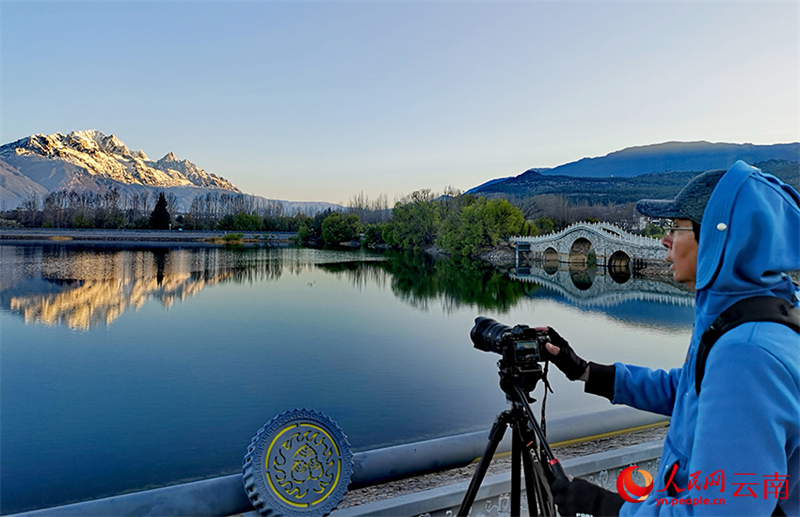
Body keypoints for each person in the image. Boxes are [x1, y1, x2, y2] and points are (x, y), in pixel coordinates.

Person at [545, 160, 800, 516]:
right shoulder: (757, 316)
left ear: (716, 238)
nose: (664, 238)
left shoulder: (746, 354)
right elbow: (688, 389)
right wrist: (584, 370)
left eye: (676, 227)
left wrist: (609, 507)